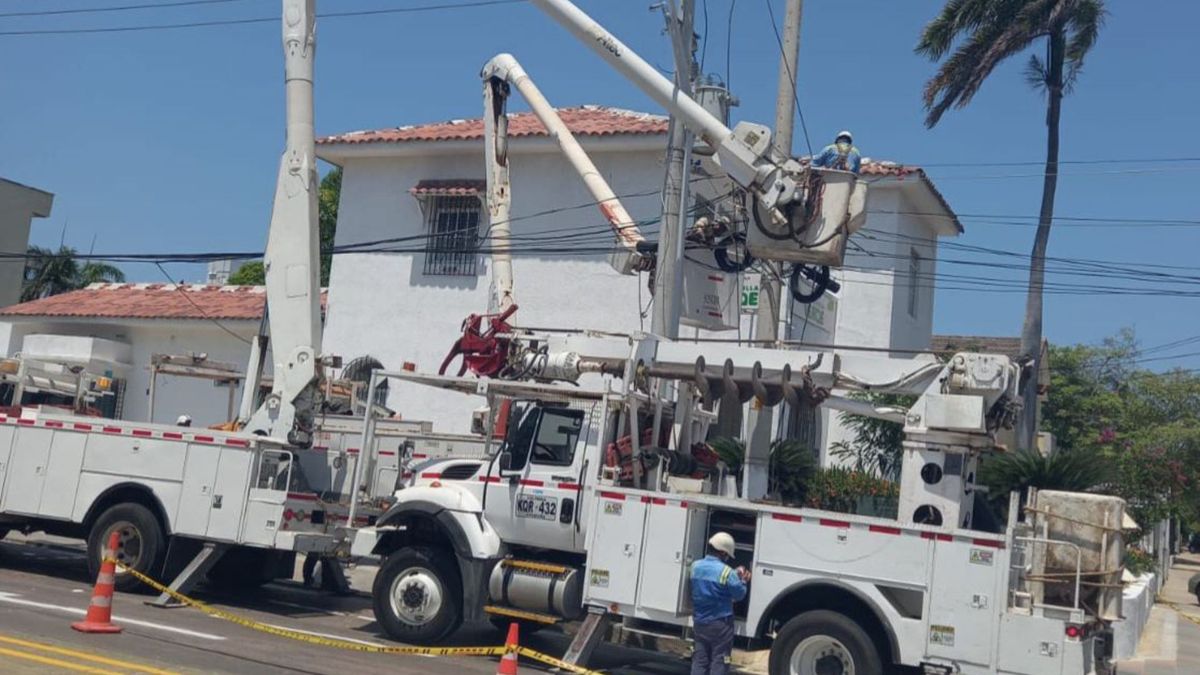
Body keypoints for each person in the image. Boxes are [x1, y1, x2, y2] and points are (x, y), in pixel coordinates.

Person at [690, 532, 750, 675]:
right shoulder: (727, 572)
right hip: (720, 623)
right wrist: (743, 580)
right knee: (721, 660)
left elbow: (710, 579)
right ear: (723, 552)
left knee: (700, 659)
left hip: (700, 620)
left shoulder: (695, 566)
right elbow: (739, 594)